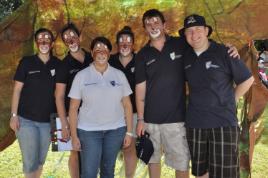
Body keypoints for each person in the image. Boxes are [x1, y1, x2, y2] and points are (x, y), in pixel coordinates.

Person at [135, 9, 240, 178]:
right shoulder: (142, 55)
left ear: (164, 25)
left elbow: (201, 43)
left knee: (181, 162)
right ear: (144, 29)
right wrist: (140, 119)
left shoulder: (180, 44)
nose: (153, 26)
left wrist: (228, 47)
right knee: (153, 161)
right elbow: (140, 89)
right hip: (150, 120)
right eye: (148, 23)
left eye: (156, 22)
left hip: (177, 120)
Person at [179, 14, 254, 178]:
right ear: (185, 36)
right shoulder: (185, 58)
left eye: (198, 29)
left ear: (206, 31)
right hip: (195, 124)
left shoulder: (225, 52)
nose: (194, 34)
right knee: (201, 173)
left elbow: (247, 80)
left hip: (223, 123)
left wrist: (231, 100)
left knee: (225, 174)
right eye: (189, 31)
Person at [68, 36, 133, 178]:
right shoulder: (81, 76)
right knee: (89, 173)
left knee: (108, 171)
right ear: (92, 53)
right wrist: (74, 136)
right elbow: (73, 108)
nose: (101, 52)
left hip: (115, 131)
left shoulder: (119, 75)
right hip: (88, 131)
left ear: (109, 53)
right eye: (97, 49)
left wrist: (129, 132)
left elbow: (127, 105)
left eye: (105, 49)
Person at [9, 28, 61, 178]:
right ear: (36, 43)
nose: (44, 42)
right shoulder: (26, 62)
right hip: (26, 120)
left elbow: (61, 93)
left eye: (47, 39)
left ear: (51, 44)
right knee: (30, 161)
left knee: (40, 161)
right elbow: (17, 90)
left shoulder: (58, 64)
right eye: (40, 39)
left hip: (48, 122)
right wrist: (14, 115)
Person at [55, 23, 92, 178]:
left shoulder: (93, 58)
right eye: (66, 39)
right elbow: (58, 96)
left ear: (80, 37)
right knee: (75, 152)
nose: (70, 40)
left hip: (94, 114)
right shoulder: (64, 65)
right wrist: (64, 124)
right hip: (72, 115)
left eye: (73, 36)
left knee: (93, 152)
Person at [109, 26, 137, 178]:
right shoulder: (110, 60)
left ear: (133, 44)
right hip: (112, 113)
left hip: (132, 112)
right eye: (121, 41)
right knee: (109, 148)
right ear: (117, 44)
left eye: (128, 41)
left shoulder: (140, 60)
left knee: (129, 147)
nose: (125, 44)